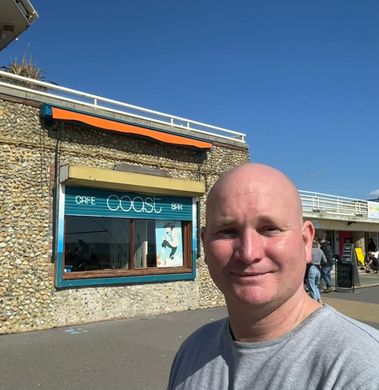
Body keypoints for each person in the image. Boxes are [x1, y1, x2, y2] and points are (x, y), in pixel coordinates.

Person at [168, 163, 379, 389]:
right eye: (227, 231)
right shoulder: (191, 351)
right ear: (204, 245)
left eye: (269, 229)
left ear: (306, 242)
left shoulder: (361, 370)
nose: (249, 253)